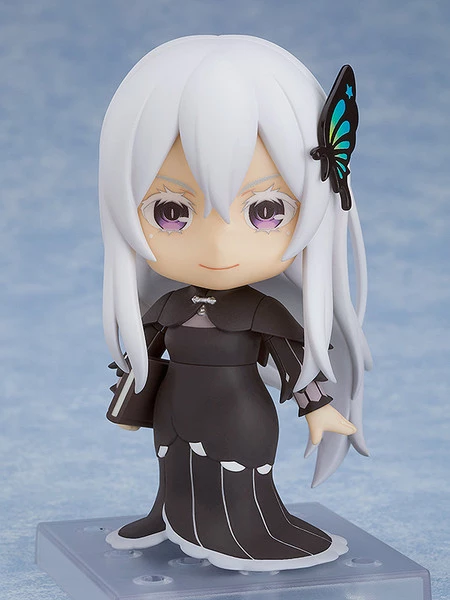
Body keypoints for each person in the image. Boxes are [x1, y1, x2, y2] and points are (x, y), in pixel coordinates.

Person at [99, 35, 372, 571]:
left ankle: (244, 532)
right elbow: (141, 356)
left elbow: (293, 361)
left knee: (236, 481)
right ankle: (168, 514)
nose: (218, 248)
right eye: (171, 211)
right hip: (173, 409)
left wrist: (319, 409)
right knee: (173, 468)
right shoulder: (168, 306)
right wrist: (128, 404)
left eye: (266, 211)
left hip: (238, 415)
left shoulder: (261, 313)